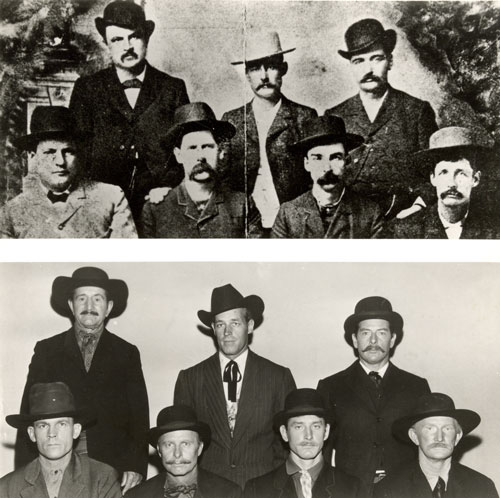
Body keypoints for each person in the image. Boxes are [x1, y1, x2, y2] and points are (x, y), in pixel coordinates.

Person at [15, 266, 149, 494]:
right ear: (71, 305)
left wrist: (135, 466)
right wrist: (25, 473)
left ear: (109, 307)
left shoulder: (126, 353)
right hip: (56, 465)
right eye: (81, 298)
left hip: (111, 469)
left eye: (97, 299)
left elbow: (139, 416)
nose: (89, 307)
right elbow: (29, 411)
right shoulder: (47, 351)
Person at [69, 0, 189, 219]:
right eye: (117, 39)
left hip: (159, 201)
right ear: (106, 42)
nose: (127, 47)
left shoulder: (172, 88)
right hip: (101, 204)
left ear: (146, 38)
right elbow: (78, 150)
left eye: (134, 36)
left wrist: (168, 187)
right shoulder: (87, 88)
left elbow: (186, 148)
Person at [174, 283, 296, 488]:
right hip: (208, 489)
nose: (227, 332)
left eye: (235, 323)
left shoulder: (277, 376)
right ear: (213, 329)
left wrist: (275, 485)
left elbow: (286, 441)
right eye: (220, 325)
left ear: (249, 326)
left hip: (264, 488)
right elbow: (182, 442)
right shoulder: (190, 378)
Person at [317, 296, 431, 498]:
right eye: (365, 333)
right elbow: (322, 450)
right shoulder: (330, 387)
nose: (373, 341)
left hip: (406, 491)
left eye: (381, 333)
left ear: (393, 339)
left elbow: (427, 445)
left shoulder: (416, 386)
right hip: (349, 492)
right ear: (354, 339)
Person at [325, 18, 438, 218]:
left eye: (376, 59)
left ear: (390, 61)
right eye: (358, 61)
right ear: (350, 66)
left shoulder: (417, 111)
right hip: (349, 221)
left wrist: (417, 208)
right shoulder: (334, 115)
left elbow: (435, 172)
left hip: (403, 220)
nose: (368, 70)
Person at [222, 31, 317, 231]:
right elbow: (223, 181)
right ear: (247, 75)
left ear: (283, 69)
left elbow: (314, 178)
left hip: (292, 224)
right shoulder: (232, 120)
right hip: (243, 226)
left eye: (271, 66)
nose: (264, 76)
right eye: (255, 68)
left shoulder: (304, 117)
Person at [0, 106, 137, 238]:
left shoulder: (111, 198)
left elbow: (124, 258)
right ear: (32, 157)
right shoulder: (11, 212)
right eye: (50, 152)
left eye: (68, 152)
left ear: (79, 155)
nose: (60, 161)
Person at [140, 103, 262, 238]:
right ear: (178, 155)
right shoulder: (156, 209)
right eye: (192, 148)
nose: (200, 157)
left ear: (221, 152)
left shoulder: (242, 205)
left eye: (207, 147)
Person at [271, 115, 385, 238]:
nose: (327, 168)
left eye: (336, 157)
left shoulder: (370, 213)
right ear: (307, 164)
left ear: (346, 161)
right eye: (318, 158)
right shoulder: (288, 213)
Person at [1, 382, 122, 498]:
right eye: (43, 426)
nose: (52, 433)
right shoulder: (7, 488)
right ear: (32, 434)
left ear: (75, 430)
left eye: (61, 424)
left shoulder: (102, 479)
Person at [375, 392, 499, 498]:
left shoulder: (482, 487)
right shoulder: (389, 489)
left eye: (447, 429)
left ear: (457, 436)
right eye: (430, 429)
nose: (439, 437)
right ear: (414, 436)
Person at [243, 388, 360, 498]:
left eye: (316, 426)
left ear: (326, 431)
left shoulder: (352, 489)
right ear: (284, 433)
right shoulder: (256, 490)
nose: (308, 435)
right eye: (299, 427)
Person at [393, 127, 499, 239]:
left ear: (475, 179)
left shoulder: (494, 230)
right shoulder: (407, 231)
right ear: (432, 178)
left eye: (461, 174)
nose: (452, 183)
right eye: (444, 172)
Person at [127, 405, 242, 498]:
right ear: (159, 450)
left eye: (185, 444)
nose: (177, 454)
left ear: (200, 448)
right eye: (169, 444)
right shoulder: (135, 496)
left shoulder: (228, 493)